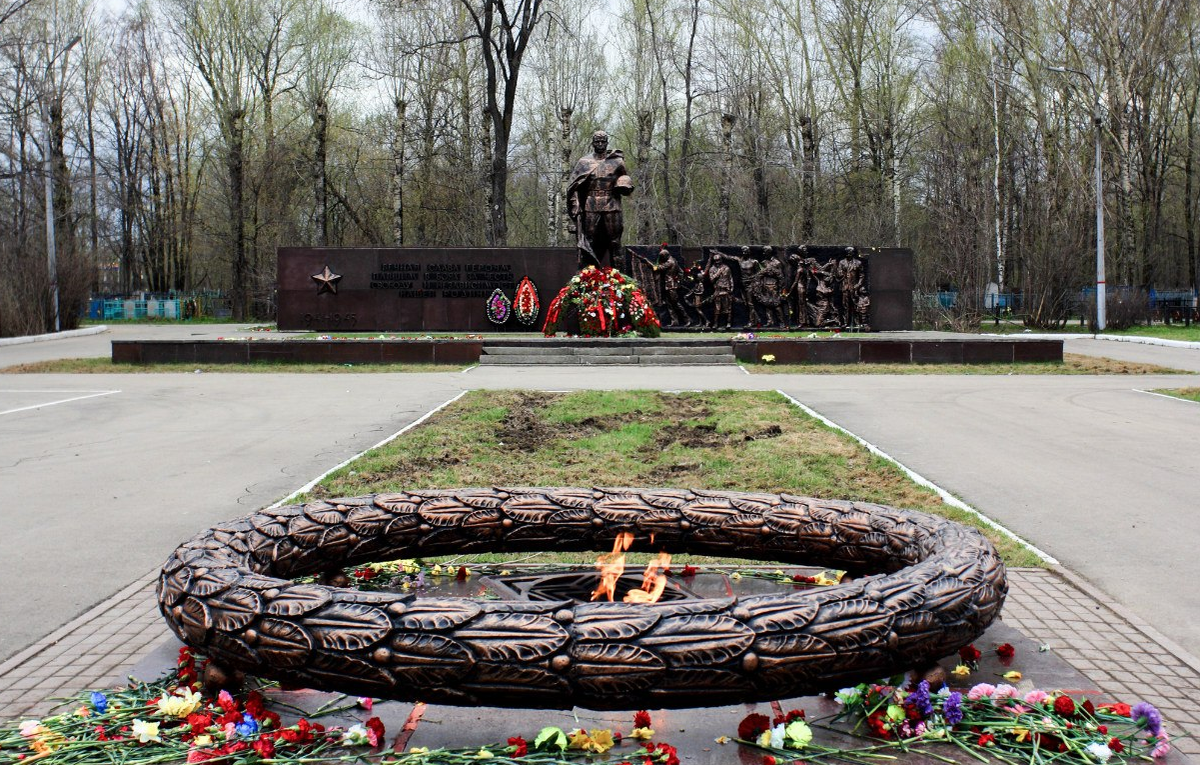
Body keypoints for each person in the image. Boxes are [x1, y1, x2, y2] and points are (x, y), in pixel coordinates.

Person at [565, 130, 634, 269]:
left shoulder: (617, 161)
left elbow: (625, 181)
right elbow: (574, 186)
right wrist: (576, 204)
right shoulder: (584, 162)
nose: (600, 144)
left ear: (607, 143)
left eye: (603, 141)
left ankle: (619, 275)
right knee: (588, 241)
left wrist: (625, 186)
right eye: (597, 141)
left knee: (615, 241)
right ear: (593, 143)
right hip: (591, 203)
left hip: (611, 204)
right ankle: (586, 276)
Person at [706, 251, 735, 329]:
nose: (717, 262)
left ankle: (728, 323)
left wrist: (732, 288)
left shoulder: (726, 268)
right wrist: (718, 273)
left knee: (728, 308)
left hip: (726, 290)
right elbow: (711, 280)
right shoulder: (712, 269)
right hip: (718, 291)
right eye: (716, 261)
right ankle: (716, 323)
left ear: (721, 260)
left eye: (719, 260)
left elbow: (730, 278)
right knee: (717, 309)